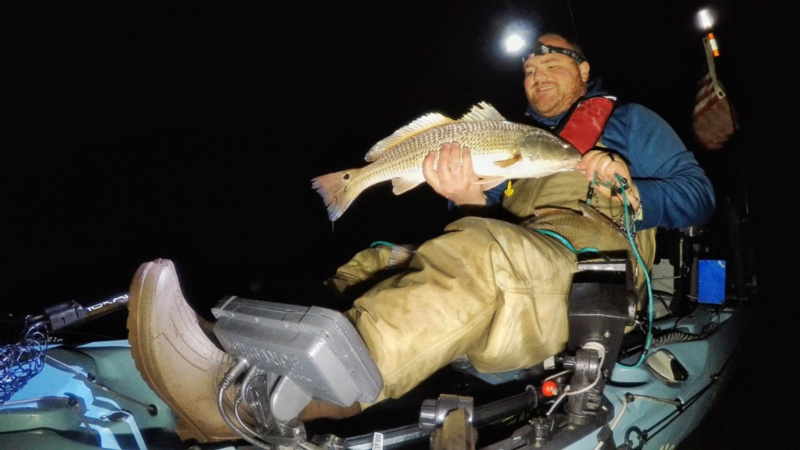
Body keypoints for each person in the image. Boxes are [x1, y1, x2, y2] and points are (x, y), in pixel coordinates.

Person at [126, 32, 715, 443]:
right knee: (379, 258)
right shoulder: (512, 138)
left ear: (584, 71)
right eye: (528, 69)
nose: (536, 74)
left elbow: (699, 195)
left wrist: (629, 183)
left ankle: (265, 399)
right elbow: (488, 225)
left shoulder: (630, 122)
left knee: (479, 255)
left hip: (595, 266)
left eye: (552, 62)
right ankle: (251, 355)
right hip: (521, 251)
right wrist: (463, 195)